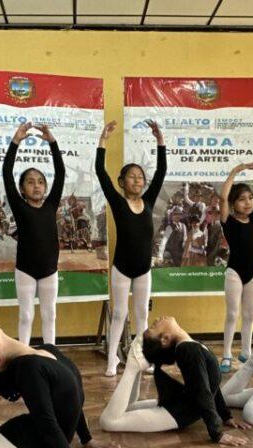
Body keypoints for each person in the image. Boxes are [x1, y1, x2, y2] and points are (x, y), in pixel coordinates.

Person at [99, 317, 250, 445]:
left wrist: (224, 417)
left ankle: (133, 367)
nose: (157, 319)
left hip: (178, 412)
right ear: (165, 338)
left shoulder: (190, 347)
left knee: (110, 420)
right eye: (154, 326)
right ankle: (133, 367)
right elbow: (203, 390)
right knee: (117, 414)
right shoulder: (188, 350)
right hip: (177, 408)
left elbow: (208, 387)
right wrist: (218, 432)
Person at [96, 119, 166, 377]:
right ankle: (112, 359)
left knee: (142, 317)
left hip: (143, 268)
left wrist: (160, 142)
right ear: (122, 181)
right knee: (119, 314)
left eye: (140, 177)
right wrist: (103, 141)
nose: (137, 180)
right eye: (131, 177)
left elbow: (160, 173)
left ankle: (142, 357)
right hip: (122, 268)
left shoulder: (148, 200)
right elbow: (101, 174)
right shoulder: (117, 201)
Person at [2, 121, 66, 346]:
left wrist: (53, 143)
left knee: (50, 315)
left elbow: (60, 173)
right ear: (22, 189)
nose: (36, 186)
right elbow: (7, 172)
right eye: (30, 182)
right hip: (25, 270)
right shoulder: (20, 207)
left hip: (49, 270)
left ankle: (51, 352)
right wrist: (16, 141)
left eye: (40, 182)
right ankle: (24, 352)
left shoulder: (51, 204)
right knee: (26, 315)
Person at [218, 161, 253, 372]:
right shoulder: (227, 220)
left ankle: (246, 353)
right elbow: (222, 197)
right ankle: (225, 354)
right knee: (233, 313)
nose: (248, 203)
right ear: (233, 204)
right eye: (242, 200)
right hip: (234, 272)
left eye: (250, 198)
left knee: (249, 314)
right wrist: (234, 172)